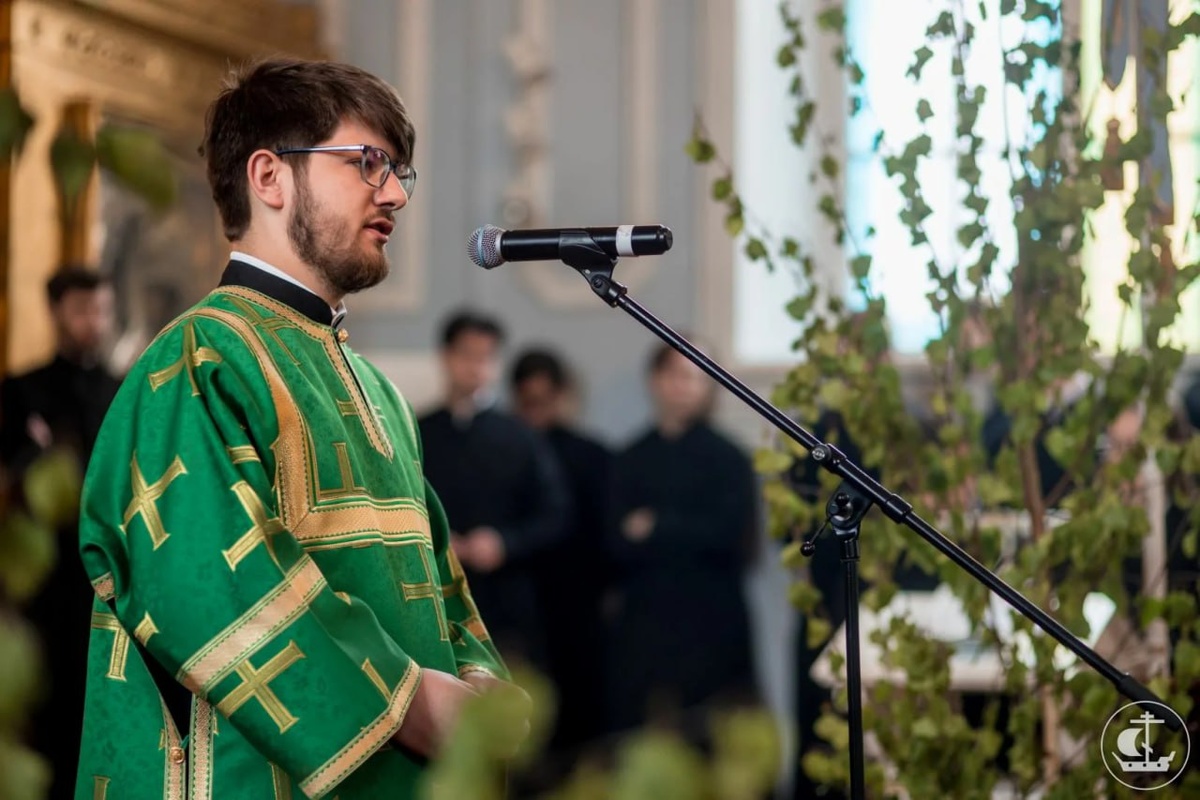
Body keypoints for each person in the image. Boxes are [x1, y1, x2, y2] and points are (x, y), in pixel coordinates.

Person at [74, 58, 523, 799]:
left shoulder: (377, 389)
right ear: (270, 177)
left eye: (398, 171)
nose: (393, 193)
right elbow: (207, 584)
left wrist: (479, 679)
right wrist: (407, 701)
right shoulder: (196, 361)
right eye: (367, 162)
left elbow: (435, 577)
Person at [0, 266, 120, 799]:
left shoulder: (124, 391)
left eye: (101, 310)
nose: (94, 322)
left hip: (106, 588)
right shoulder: (21, 392)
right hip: (43, 588)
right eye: (82, 310)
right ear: (55, 312)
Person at [607, 339, 759, 736]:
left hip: (712, 623)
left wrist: (656, 527)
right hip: (647, 624)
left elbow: (733, 537)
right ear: (654, 380)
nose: (684, 386)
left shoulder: (730, 459)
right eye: (675, 374)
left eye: (695, 377)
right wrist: (683, 531)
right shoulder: (629, 459)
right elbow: (614, 543)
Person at [418, 313, 568, 670]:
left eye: (485, 357)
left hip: (506, 600)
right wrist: (438, 540)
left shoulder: (521, 436)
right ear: (445, 357)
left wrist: (504, 542)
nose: (475, 366)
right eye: (466, 354)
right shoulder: (417, 430)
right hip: (434, 598)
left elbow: (555, 514)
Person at [510, 348, 612, 762]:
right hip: (519, 608)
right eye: (528, 401)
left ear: (562, 396)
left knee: (580, 726)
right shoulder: (503, 452)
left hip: (578, 609)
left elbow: (605, 540)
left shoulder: (592, 456)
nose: (536, 411)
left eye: (544, 400)